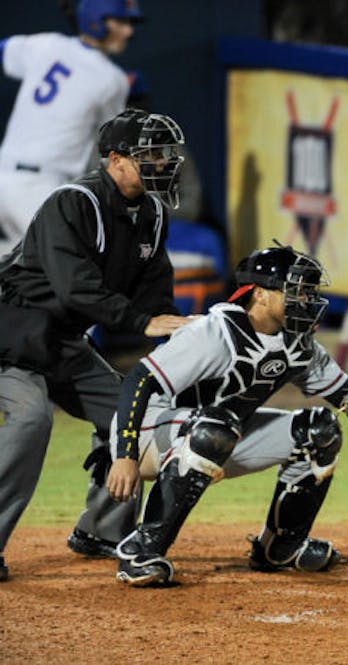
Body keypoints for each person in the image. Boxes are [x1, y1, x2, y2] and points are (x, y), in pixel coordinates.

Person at [106, 243, 348, 586]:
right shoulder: (214, 332)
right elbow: (140, 380)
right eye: (296, 290)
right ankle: (140, 551)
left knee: (320, 430)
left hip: (218, 435)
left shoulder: (298, 343)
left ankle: (281, 546)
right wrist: (125, 455)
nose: (304, 300)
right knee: (217, 427)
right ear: (259, 294)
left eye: (307, 292)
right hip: (146, 434)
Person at [0, 107, 190, 583]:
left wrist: (186, 336)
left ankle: (103, 529)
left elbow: (155, 297)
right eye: (150, 154)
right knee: (31, 419)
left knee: (135, 413)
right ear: (116, 159)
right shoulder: (75, 202)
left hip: (61, 342)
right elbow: (75, 288)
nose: (163, 163)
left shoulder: (151, 214)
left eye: (166, 154)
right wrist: (142, 321)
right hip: (11, 333)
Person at [0, 0, 144, 257]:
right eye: (121, 22)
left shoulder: (48, 44)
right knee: (77, 269)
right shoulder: (113, 79)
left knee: (24, 273)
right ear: (96, 19)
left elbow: (4, 50)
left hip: (7, 175)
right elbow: (115, 144)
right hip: (38, 187)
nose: (129, 32)